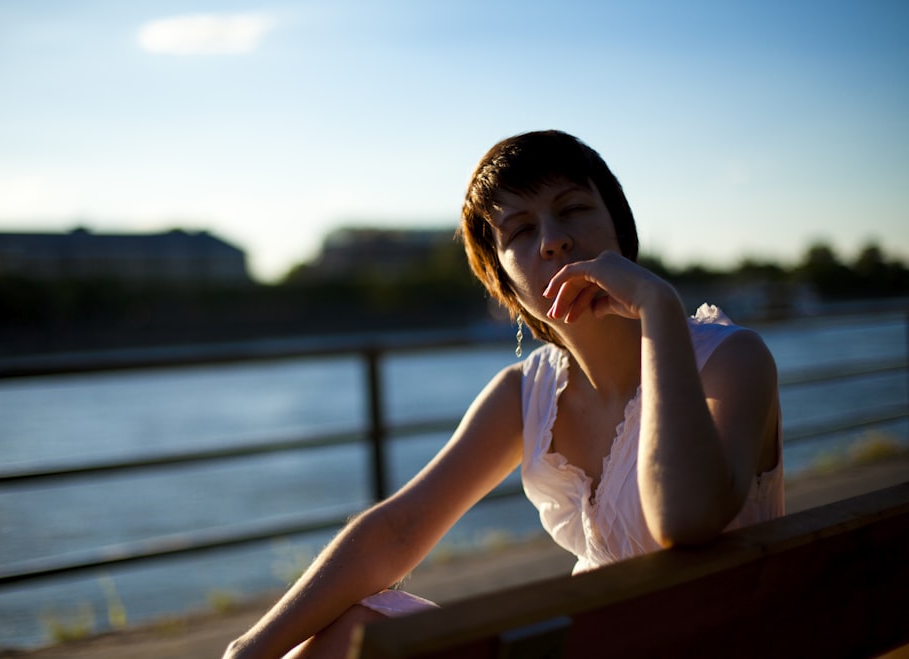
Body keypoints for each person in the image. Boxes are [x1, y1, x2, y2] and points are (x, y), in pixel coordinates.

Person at [222, 130, 784, 659]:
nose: (554, 240)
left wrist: (658, 309)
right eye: (520, 231)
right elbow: (399, 529)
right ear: (505, 284)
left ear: (620, 230)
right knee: (357, 628)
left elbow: (684, 519)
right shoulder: (526, 392)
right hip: (593, 643)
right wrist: (245, 652)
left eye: (573, 210)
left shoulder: (729, 359)